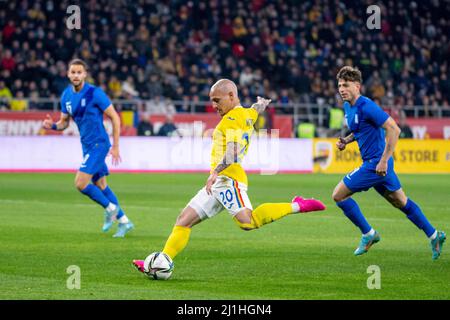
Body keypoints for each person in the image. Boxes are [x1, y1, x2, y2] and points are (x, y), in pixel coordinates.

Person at [132, 79, 326, 274]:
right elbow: (254, 111)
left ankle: (298, 205)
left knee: (248, 222)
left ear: (231, 96)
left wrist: (215, 172)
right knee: (183, 220)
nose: (214, 106)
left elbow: (233, 151)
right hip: (217, 183)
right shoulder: (245, 114)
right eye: (212, 101)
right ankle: (159, 262)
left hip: (228, 180)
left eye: (217, 100)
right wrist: (261, 104)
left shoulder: (232, 119)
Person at [331, 66, 445, 260]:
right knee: (401, 202)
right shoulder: (348, 106)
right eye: (340, 85)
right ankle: (435, 235)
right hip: (378, 164)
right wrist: (347, 141)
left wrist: (383, 160)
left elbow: (394, 129)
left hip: (375, 164)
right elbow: (360, 130)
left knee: (338, 195)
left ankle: (368, 234)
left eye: (346, 85)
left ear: (357, 86)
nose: (342, 89)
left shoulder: (367, 106)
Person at [42, 59, 134, 237]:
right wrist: (52, 126)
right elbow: (63, 123)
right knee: (100, 184)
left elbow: (115, 117)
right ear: (68, 74)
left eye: (79, 72)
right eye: (73, 72)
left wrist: (115, 146)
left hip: (99, 144)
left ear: (84, 74)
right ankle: (124, 222)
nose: (76, 75)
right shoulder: (66, 96)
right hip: (86, 145)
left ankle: (110, 209)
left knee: (80, 183)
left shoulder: (94, 93)